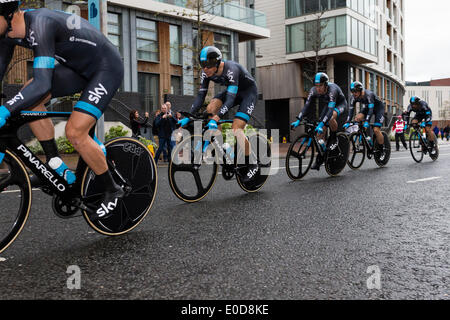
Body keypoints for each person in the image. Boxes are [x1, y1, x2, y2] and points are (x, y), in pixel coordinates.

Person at [0, 2, 124, 220]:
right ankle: (55, 162)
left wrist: (5, 110)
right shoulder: (8, 34)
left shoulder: (40, 23)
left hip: (105, 67)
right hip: (74, 68)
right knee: (28, 95)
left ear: (8, 14)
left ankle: (112, 189)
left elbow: (43, 84)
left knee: (75, 132)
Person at [178, 46, 259, 182]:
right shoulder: (206, 73)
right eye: (203, 66)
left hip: (247, 94)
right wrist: (188, 116)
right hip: (232, 91)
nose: (205, 69)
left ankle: (252, 163)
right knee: (210, 108)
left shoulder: (231, 69)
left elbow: (230, 100)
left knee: (236, 128)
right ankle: (221, 144)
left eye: (208, 66)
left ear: (217, 63)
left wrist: (216, 118)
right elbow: (200, 96)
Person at [291, 72, 348, 171]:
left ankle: (334, 137)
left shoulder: (332, 90)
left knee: (329, 118)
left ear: (325, 84)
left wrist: (321, 124)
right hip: (329, 105)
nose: (318, 88)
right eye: (316, 86)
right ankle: (321, 157)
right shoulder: (313, 91)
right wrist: (298, 119)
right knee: (319, 133)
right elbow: (307, 106)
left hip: (340, 105)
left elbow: (330, 111)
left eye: (320, 86)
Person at [343, 81, 386, 154]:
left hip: (379, 109)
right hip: (368, 107)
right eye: (352, 92)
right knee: (357, 118)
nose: (354, 94)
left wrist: (366, 121)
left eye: (355, 91)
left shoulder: (369, 94)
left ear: (360, 90)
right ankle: (366, 137)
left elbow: (371, 110)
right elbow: (351, 111)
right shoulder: (353, 97)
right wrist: (347, 122)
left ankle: (382, 149)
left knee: (376, 130)